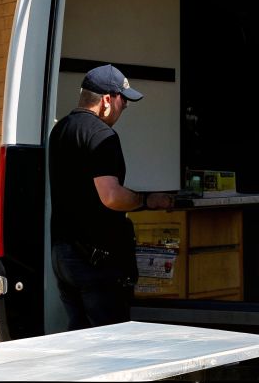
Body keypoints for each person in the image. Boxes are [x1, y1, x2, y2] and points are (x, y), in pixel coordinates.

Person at [48, 64, 175, 328]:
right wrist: (147, 200)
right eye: (123, 100)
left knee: (79, 337)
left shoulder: (61, 131)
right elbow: (111, 196)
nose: (125, 107)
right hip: (96, 259)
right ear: (107, 100)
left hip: (64, 255)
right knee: (110, 342)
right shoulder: (101, 135)